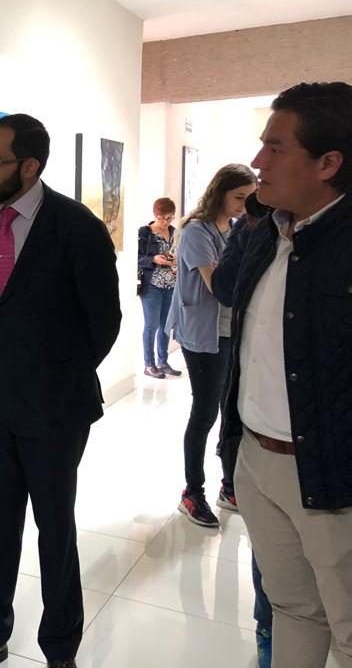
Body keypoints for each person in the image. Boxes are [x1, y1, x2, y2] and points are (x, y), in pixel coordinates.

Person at [0, 114, 121, 668]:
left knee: (55, 530)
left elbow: (104, 320)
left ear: (29, 167)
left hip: (55, 409)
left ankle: (60, 649)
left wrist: (57, 377)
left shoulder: (77, 227)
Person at [223, 82, 352, 667]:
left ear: (328, 163)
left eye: (275, 148)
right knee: (293, 609)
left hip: (331, 476)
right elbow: (229, 299)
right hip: (257, 458)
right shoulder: (267, 233)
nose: (258, 162)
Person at [165, 163, 255, 528]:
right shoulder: (196, 231)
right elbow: (219, 285)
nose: (245, 206)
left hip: (230, 331)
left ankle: (229, 486)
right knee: (204, 413)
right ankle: (192, 492)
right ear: (220, 192)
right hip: (203, 335)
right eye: (239, 197)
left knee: (230, 409)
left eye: (250, 199)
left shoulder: (233, 229)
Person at [210, 192, 274, 668]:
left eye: (276, 154)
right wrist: (248, 229)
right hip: (256, 432)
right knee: (269, 556)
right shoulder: (256, 230)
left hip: (322, 438)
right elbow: (226, 289)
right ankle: (268, 633)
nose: (259, 162)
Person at [137, 197, 180, 379]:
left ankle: (163, 362)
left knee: (166, 325)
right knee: (151, 325)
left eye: (170, 218)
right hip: (152, 285)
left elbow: (179, 254)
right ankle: (149, 364)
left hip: (171, 284)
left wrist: (175, 262)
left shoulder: (174, 232)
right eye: (163, 218)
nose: (166, 222)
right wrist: (154, 259)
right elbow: (137, 257)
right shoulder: (145, 232)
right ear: (156, 215)